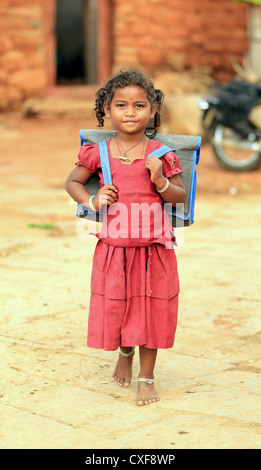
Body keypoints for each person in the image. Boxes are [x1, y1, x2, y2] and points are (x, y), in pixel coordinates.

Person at [65, 69, 186, 406]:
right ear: (106, 109)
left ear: (153, 110)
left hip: (154, 248)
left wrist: (161, 180)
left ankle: (146, 378)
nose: (130, 112)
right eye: (121, 105)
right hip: (115, 248)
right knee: (119, 306)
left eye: (139, 106)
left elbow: (179, 196)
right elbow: (72, 182)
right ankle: (124, 351)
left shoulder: (161, 154)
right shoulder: (97, 153)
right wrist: (91, 199)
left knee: (152, 310)